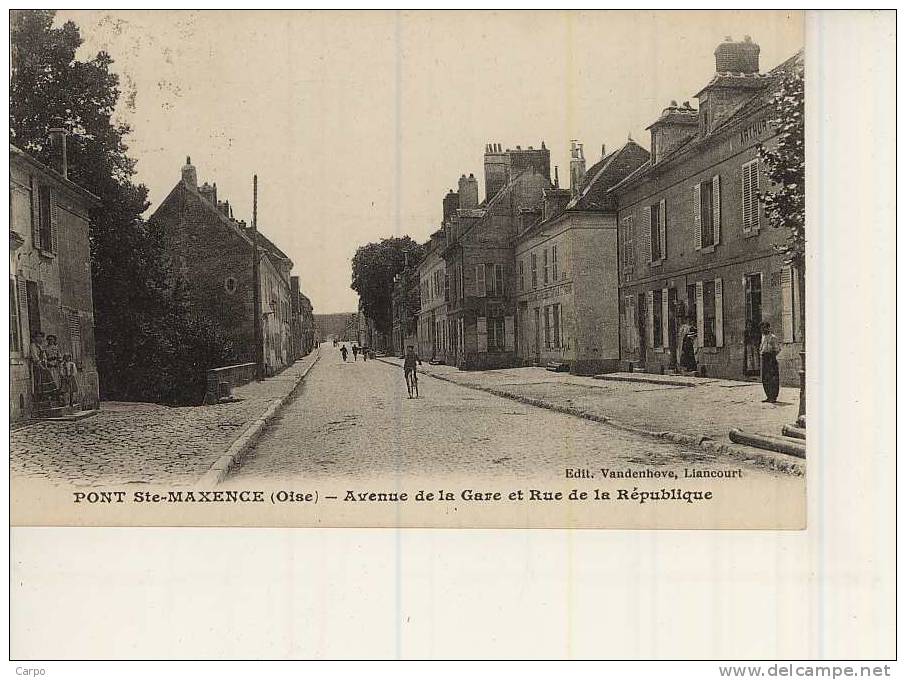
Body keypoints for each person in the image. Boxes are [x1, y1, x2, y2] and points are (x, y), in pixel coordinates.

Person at [759, 321, 782, 403]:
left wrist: (772, 356)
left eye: (764, 327)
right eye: (762, 328)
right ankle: (768, 396)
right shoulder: (763, 337)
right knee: (765, 378)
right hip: (764, 358)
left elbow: (778, 349)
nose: (763, 330)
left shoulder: (773, 337)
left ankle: (773, 397)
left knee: (773, 378)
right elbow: (762, 347)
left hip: (771, 359)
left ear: (768, 328)